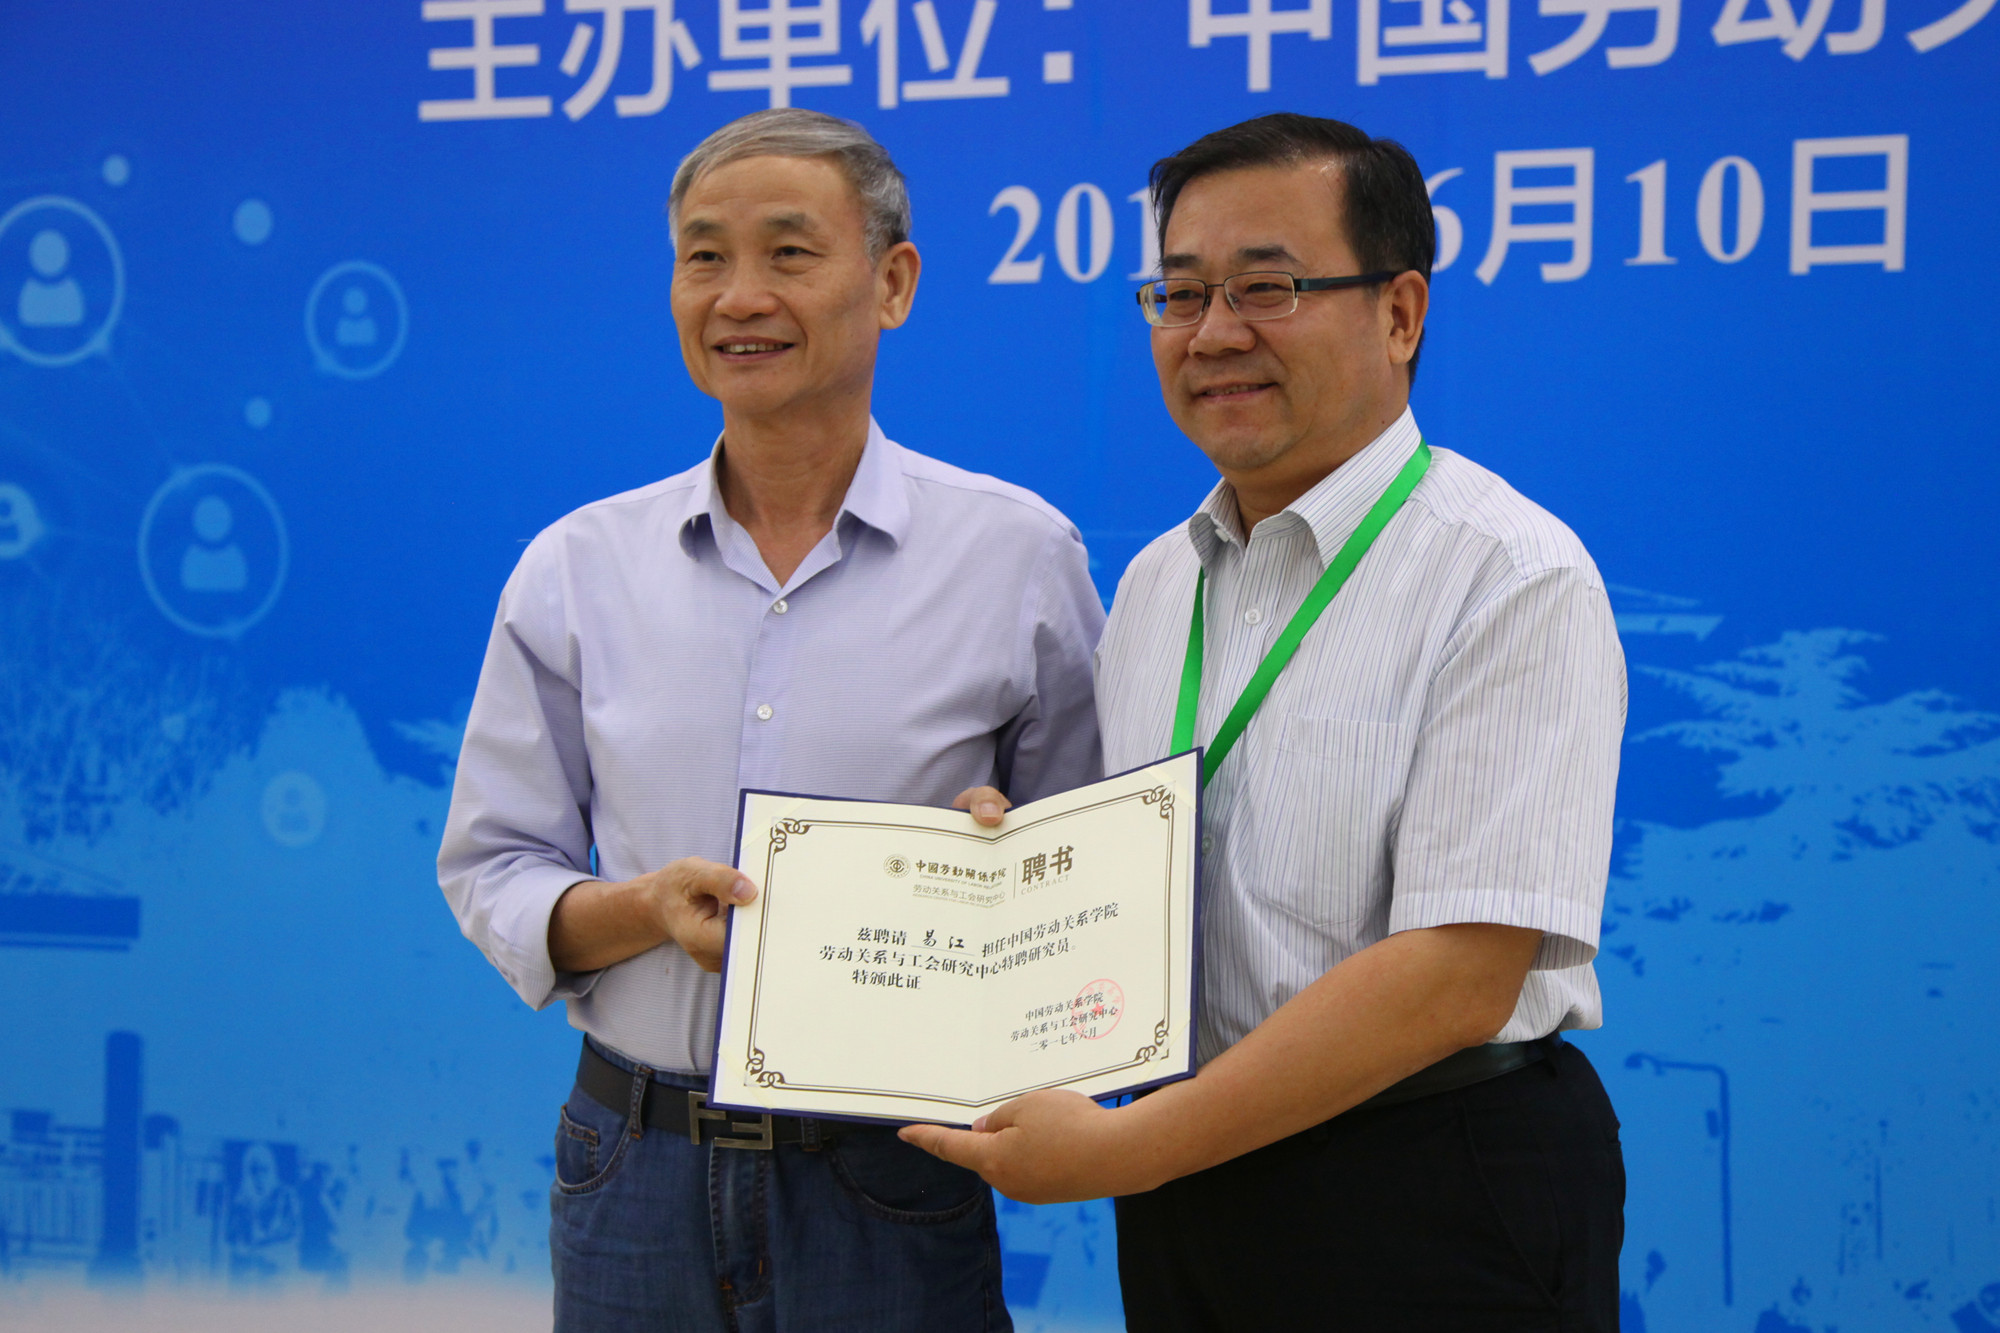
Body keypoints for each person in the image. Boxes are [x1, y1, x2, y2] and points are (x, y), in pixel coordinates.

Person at [904, 112, 1627, 1331]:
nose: (1214, 333)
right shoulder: (1157, 581)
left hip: (1432, 1179)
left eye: (1267, 287)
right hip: (1194, 1176)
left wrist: (1126, 1152)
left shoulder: (1507, 573)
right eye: (1179, 293)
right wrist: (1016, 866)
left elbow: (1457, 974)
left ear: (1400, 312)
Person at [438, 108, 1104, 1332]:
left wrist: (1005, 869)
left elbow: (1088, 878)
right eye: (704, 256)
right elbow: (494, 865)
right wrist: (642, 910)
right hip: (631, 1160)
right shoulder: (577, 567)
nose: (738, 295)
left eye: (789, 253)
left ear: (892, 283)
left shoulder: (1016, 556)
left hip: (886, 1170)